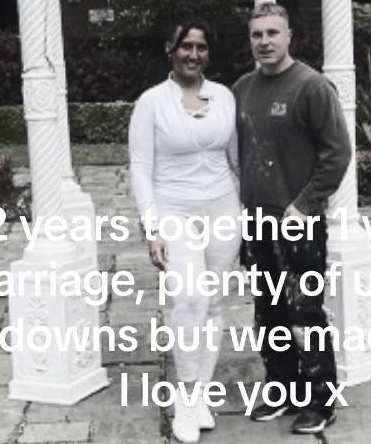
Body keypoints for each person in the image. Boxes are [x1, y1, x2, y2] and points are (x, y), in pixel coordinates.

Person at [232, 3, 351, 434]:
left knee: (305, 314)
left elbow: (337, 155)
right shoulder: (242, 88)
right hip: (258, 224)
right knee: (268, 313)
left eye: (272, 33)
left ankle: (321, 400)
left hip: (299, 225)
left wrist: (303, 206)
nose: (264, 41)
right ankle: (281, 388)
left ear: (289, 36)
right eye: (257, 34)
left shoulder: (312, 87)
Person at [128, 18, 240, 444]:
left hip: (223, 210)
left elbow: (235, 160)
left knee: (213, 302)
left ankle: (200, 397)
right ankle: (184, 399)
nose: (193, 54)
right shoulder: (151, 103)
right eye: (185, 46)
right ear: (169, 50)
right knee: (188, 298)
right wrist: (152, 227)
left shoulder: (225, 97)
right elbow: (140, 169)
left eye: (201, 47)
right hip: (174, 210)